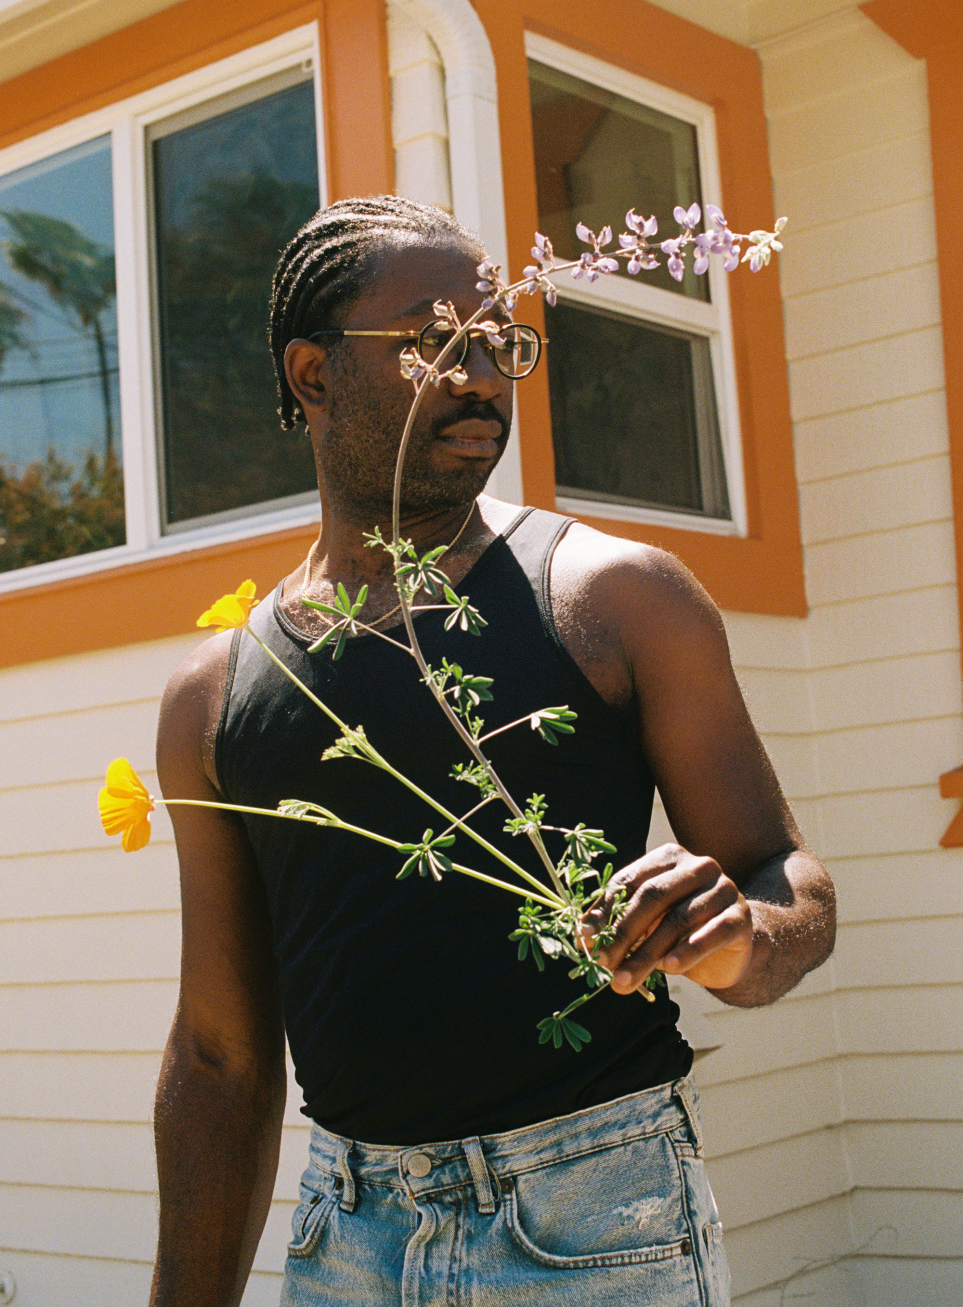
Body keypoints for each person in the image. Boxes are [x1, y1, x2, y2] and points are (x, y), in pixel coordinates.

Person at [152, 195, 836, 1307]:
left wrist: (737, 936)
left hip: (595, 1224)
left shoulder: (616, 598)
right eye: (433, 341)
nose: (482, 376)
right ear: (314, 375)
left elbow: (791, 886)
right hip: (346, 1243)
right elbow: (221, 1059)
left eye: (499, 342)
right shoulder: (218, 696)